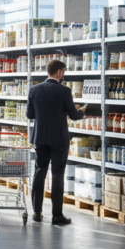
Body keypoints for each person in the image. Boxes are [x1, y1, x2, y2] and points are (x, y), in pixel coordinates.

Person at [26, 59, 86, 226]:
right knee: (57, 176)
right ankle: (57, 216)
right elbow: (73, 115)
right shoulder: (64, 91)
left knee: (39, 173)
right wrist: (81, 111)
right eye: (64, 72)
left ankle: (37, 212)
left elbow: (30, 115)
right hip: (59, 140)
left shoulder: (34, 90)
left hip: (40, 139)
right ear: (60, 72)